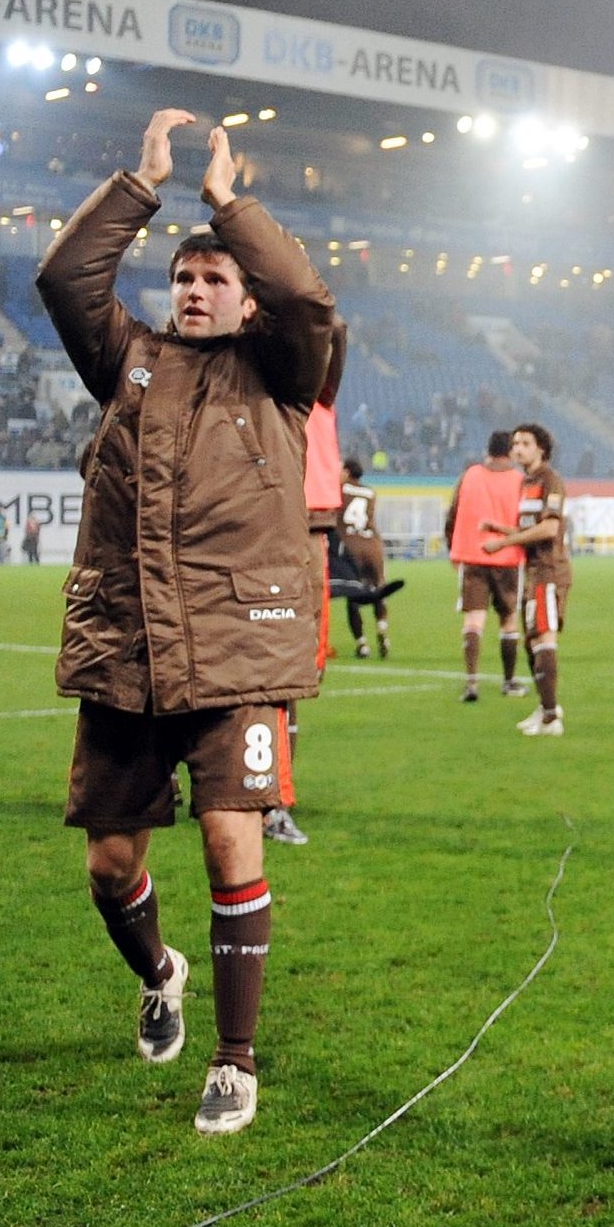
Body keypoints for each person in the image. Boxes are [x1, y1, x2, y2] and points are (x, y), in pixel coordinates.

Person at [37, 108, 335, 1139]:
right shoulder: (128, 360)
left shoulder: (286, 373)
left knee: (227, 842)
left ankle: (234, 1058)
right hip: (128, 645)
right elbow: (63, 282)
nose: (195, 290)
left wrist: (226, 202)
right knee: (110, 864)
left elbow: (305, 295)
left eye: (216, 277)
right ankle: (158, 971)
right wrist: (140, 185)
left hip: (239, 645)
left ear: (244, 297)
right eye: (185, 277)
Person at [267, 321, 348, 850]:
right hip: (263, 535)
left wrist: (309, 311)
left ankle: (274, 799)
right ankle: (266, 800)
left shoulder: (316, 398)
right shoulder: (260, 396)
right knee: (269, 677)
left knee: (290, 679)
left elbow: (336, 328)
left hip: (307, 539)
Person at [480, 422, 570, 737]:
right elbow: (528, 533)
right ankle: (546, 707)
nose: (518, 448)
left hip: (549, 570)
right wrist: (500, 529)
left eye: (525, 443)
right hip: (532, 572)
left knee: (544, 639)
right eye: (515, 443)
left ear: (541, 449)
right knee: (532, 643)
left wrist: (503, 543)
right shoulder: (526, 483)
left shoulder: (550, 481)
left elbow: (549, 529)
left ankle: (551, 719)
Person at [444, 431, 526, 702]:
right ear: (510, 451)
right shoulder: (519, 480)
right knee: (509, 619)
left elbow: (453, 513)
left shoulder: (470, 475)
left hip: (472, 555)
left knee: (473, 619)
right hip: (508, 557)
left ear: (488, 450)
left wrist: (452, 548)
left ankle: (471, 683)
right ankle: (509, 681)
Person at [337, 456, 391, 659]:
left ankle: (362, 644)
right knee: (378, 590)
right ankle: (382, 629)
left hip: (352, 547)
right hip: (373, 545)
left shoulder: (339, 489)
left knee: (353, 594)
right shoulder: (370, 492)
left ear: (347, 472)